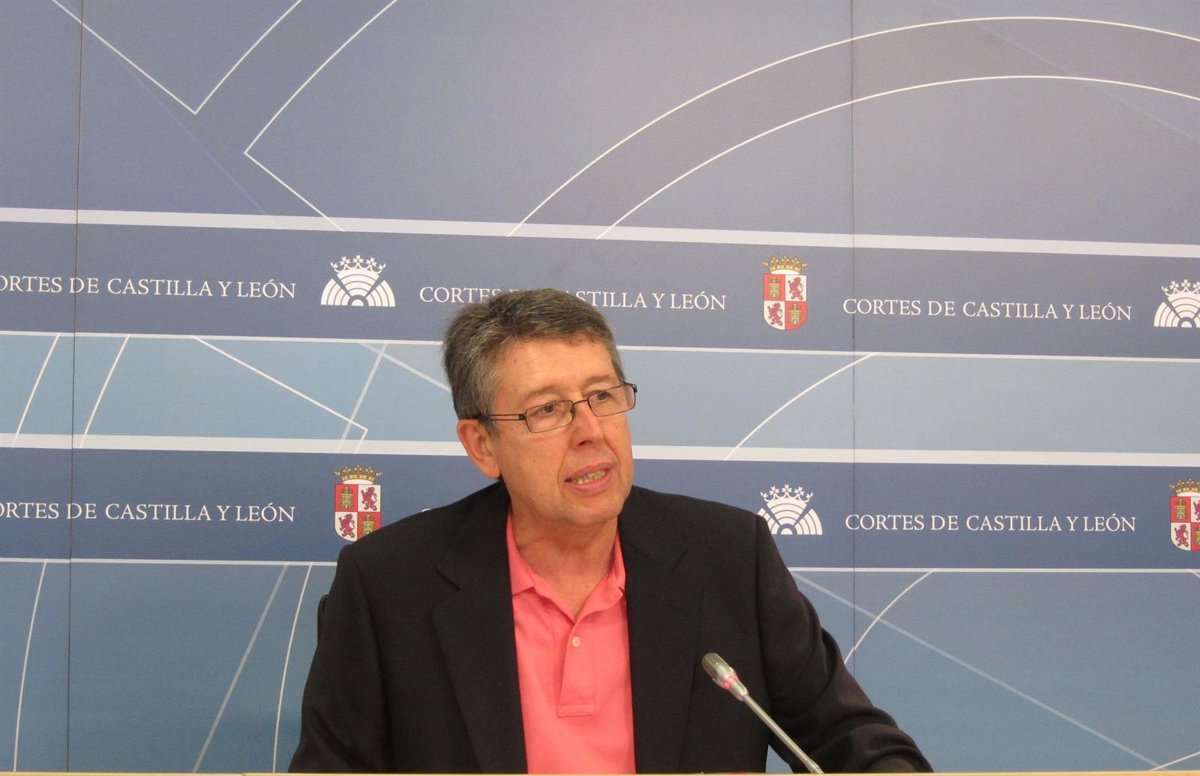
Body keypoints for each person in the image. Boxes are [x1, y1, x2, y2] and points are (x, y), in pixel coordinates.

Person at [290, 288, 930, 774]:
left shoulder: (728, 557)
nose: (591, 432)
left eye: (603, 396)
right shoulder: (388, 585)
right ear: (482, 445)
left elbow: (856, 744)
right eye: (548, 410)